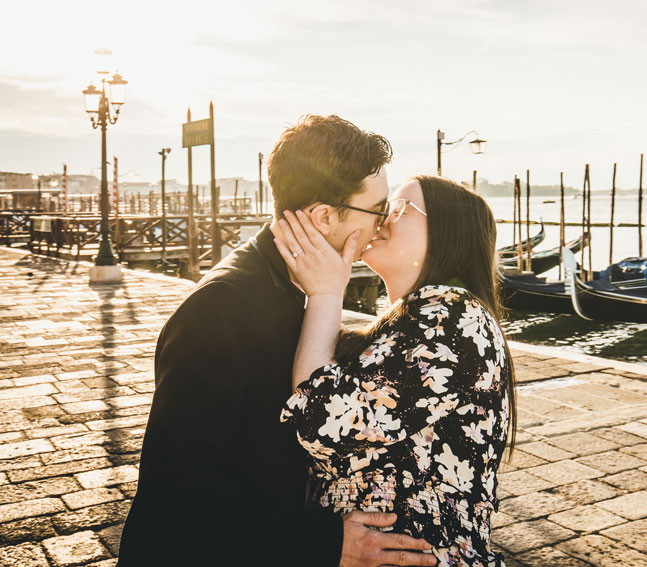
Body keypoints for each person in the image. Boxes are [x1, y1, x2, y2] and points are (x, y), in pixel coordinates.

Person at [117, 115, 436, 567]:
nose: (382, 225)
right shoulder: (223, 309)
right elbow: (182, 494)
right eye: (378, 210)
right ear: (325, 215)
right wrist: (326, 545)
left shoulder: (288, 286)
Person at [272, 175, 516, 567]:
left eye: (400, 209)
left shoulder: (453, 316)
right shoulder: (418, 321)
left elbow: (321, 417)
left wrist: (326, 293)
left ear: (446, 234)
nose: (383, 218)